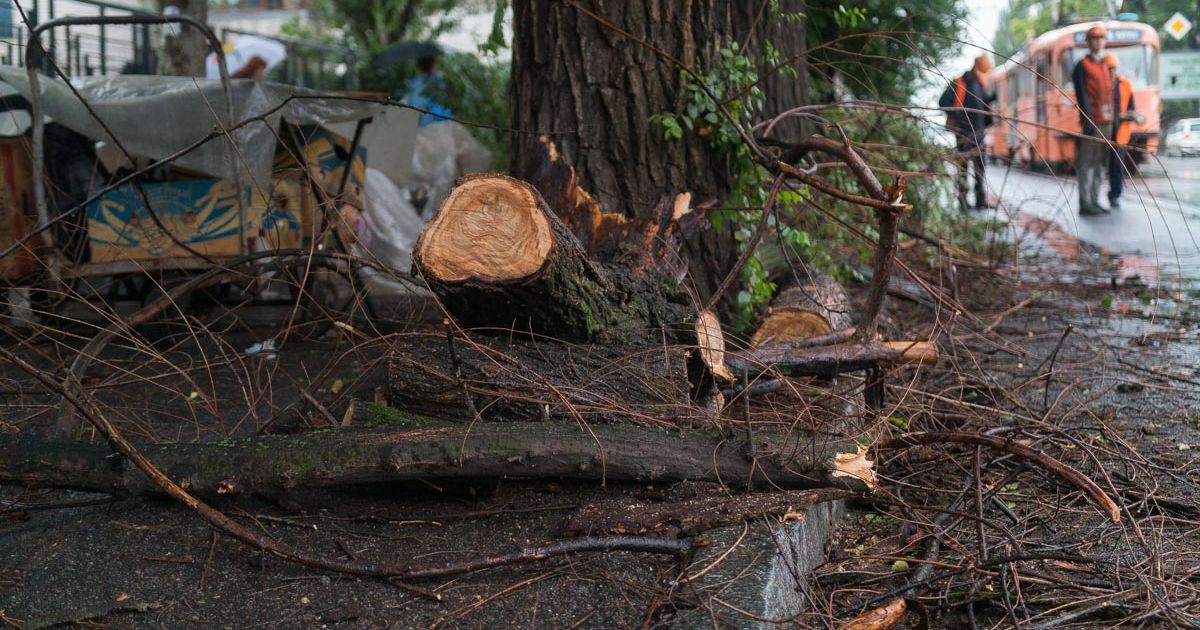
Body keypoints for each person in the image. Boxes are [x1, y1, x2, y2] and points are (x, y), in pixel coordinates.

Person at [1071, 25, 1118, 216]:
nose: (1098, 41)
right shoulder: (1082, 66)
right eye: (1094, 38)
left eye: (1101, 38)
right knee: (1086, 163)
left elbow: (1111, 95)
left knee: (1100, 163)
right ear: (1088, 42)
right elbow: (1082, 95)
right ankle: (1085, 202)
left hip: (1107, 121)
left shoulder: (1106, 66)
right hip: (1094, 121)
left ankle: (1095, 199)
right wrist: (1088, 120)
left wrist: (1115, 120)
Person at [939, 55, 996, 210]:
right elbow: (942, 102)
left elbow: (983, 104)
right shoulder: (959, 83)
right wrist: (958, 115)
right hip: (963, 134)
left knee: (980, 169)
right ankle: (963, 202)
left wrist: (992, 98)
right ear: (976, 66)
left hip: (979, 134)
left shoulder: (980, 83)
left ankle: (980, 201)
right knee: (963, 169)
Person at [1105, 52, 1137, 210]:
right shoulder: (1100, 85)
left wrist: (1129, 115)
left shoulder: (1125, 84)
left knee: (1117, 165)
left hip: (1120, 135)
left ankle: (1115, 195)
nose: (1111, 71)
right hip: (1103, 133)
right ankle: (1094, 198)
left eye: (1113, 68)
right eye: (1108, 68)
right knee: (1103, 166)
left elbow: (1131, 107)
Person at [403, 55, 453, 127]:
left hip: (413, 125)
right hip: (430, 128)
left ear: (418, 68)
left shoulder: (412, 83)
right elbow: (441, 114)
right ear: (433, 66)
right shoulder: (438, 84)